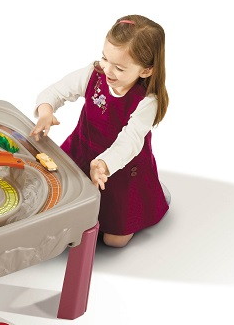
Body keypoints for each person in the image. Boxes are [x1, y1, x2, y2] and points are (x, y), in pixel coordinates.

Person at [31, 15, 169, 247]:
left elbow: (130, 142)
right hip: (81, 149)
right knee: (60, 202)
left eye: (120, 68)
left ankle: (144, 202)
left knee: (115, 241)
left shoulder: (147, 101)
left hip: (118, 167)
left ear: (146, 71)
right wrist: (46, 111)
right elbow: (56, 91)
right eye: (105, 58)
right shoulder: (94, 74)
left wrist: (104, 164)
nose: (108, 70)